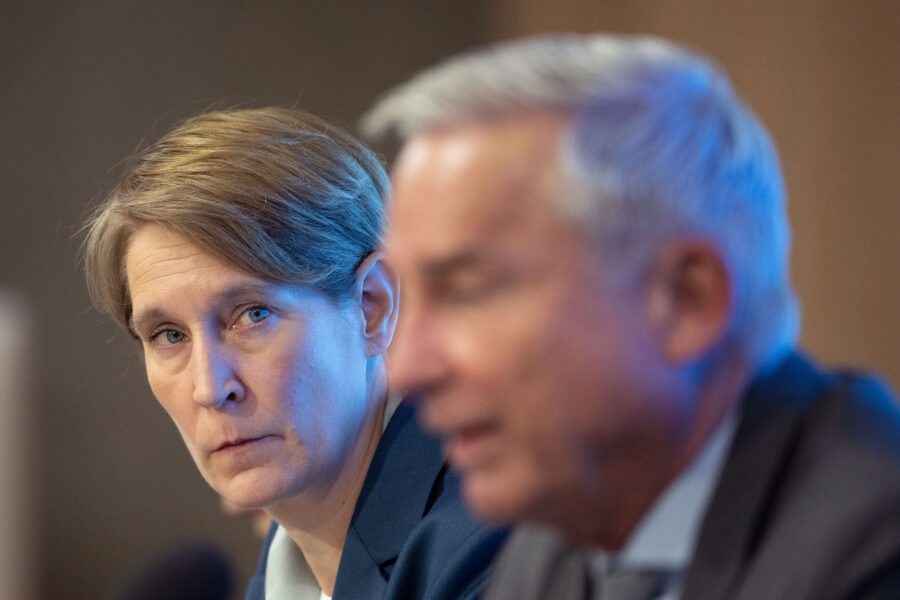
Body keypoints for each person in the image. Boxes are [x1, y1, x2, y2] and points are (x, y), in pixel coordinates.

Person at [361, 33, 900, 599]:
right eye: (414, 296)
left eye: (469, 292)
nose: (407, 371)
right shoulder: (552, 541)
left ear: (687, 299)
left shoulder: (871, 550)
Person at [82, 107, 505, 600]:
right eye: (170, 336)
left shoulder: (485, 554)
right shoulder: (281, 571)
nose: (211, 388)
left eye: (253, 315)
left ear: (372, 307)